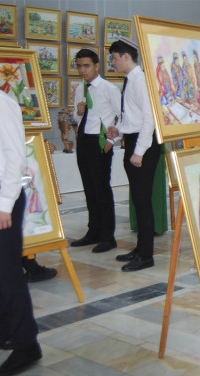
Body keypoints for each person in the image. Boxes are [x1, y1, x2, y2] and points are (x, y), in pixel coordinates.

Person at [0, 42, 42, 376]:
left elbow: (15, 156)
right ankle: (2, 328)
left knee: (6, 270)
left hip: (2, 192)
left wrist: (4, 204)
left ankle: (26, 343)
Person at [107, 37, 159, 272]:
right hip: (134, 140)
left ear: (126, 56)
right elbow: (132, 117)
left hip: (143, 145)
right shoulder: (131, 80)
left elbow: (149, 119)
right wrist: (118, 131)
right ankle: (140, 248)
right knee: (138, 199)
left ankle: (146, 256)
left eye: (114, 58)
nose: (113, 63)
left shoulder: (140, 81)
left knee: (143, 201)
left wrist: (139, 152)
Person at [69, 48, 121, 254]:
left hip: (100, 142)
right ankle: (93, 231)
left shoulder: (109, 89)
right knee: (89, 189)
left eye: (87, 66)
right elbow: (78, 117)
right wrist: (78, 111)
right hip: (83, 140)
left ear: (97, 66)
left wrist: (112, 140)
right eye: (79, 66)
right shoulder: (79, 88)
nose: (83, 70)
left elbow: (122, 116)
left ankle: (108, 237)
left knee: (101, 190)